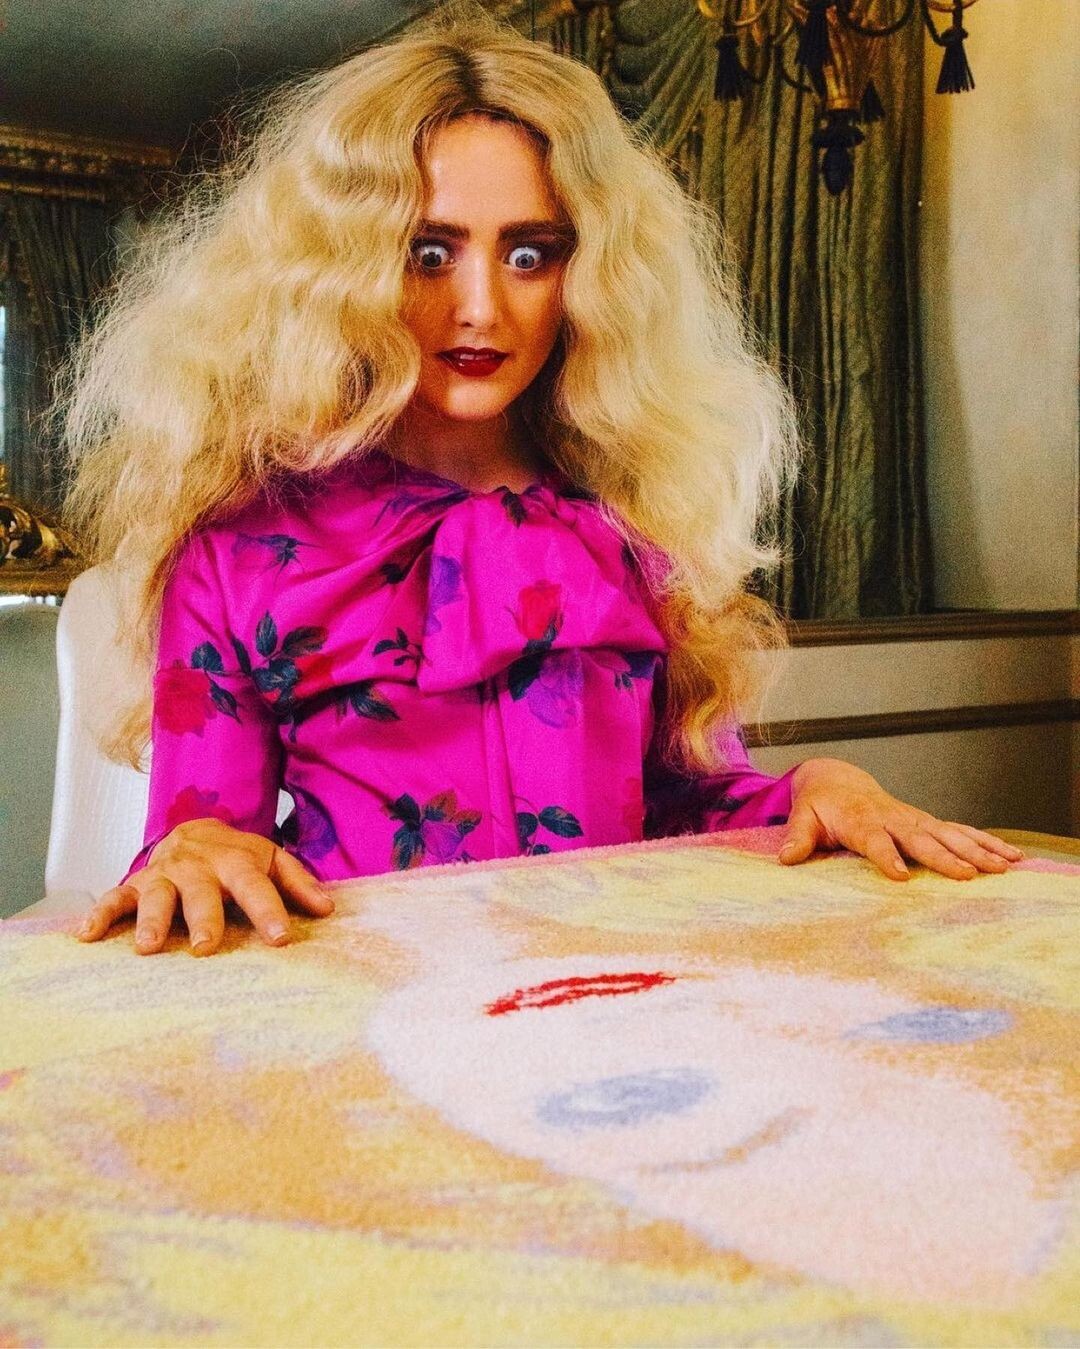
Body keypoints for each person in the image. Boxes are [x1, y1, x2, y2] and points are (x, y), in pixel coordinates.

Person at [60, 2, 1021, 958]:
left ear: (588, 272)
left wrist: (815, 786)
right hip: (373, 1006)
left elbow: (686, 808)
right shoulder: (238, 551)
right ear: (343, 269)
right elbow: (201, 847)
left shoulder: (637, 523)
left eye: (529, 255)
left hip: (619, 991)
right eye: (428, 253)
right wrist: (195, 848)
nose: (481, 306)